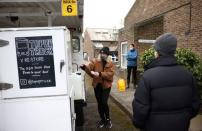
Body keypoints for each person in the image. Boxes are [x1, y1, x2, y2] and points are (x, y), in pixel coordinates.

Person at [132, 33, 200, 131]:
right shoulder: (188, 74)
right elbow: (195, 105)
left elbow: (140, 109)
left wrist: (140, 125)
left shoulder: (148, 76)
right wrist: (183, 118)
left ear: (157, 52)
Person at [80, 47, 114, 129]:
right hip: (97, 85)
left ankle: (108, 119)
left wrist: (99, 74)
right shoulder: (95, 61)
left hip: (106, 86)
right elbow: (90, 71)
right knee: (99, 103)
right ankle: (103, 119)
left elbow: (110, 75)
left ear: (107, 54)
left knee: (104, 102)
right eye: (101, 53)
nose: (102, 55)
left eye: (104, 53)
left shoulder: (110, 63)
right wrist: (85, 68)